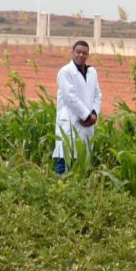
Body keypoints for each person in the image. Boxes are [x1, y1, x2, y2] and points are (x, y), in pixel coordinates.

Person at [52, 40, 102, 173]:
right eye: (78, 52)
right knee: (65, 160)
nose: (81, 55)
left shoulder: (92, 72)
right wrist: (87, 116)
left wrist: (94, 114)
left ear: (88, 55)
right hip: (70, 122)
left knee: (82, 161)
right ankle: (58, 184)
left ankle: (76, 185)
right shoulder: (65, 72)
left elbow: (97, 95)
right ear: (72, 52)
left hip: (87, 124)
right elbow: (70, 98)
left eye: (84, 53)